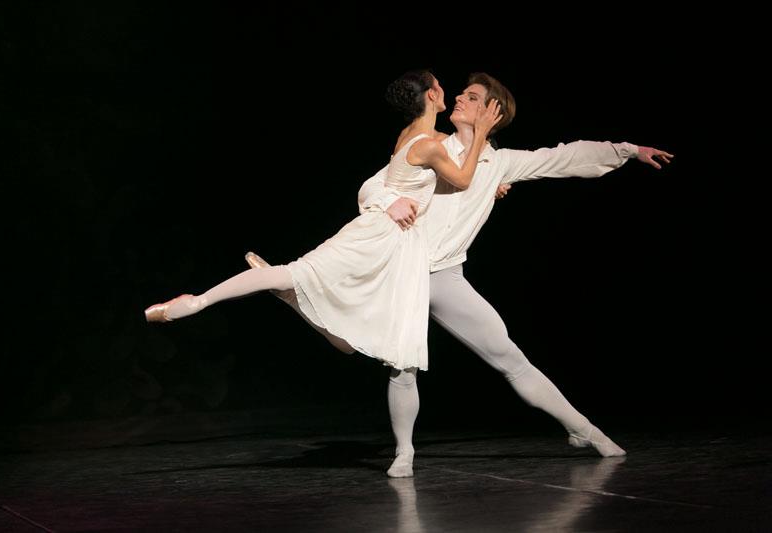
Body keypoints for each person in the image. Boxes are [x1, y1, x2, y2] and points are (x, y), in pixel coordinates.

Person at [245, 72, 673, 477]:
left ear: (492, 112)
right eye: (461, 93)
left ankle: (585, 430)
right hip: (404, 271)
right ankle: (404, 451)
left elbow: (561, 157)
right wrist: (388, 202)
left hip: (447, 277)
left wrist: (629, 150)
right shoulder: (431, 145)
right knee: (398, 364)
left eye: (471, 97)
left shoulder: (499, 164)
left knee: (509, 358)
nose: (458, 99)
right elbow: (376, 183)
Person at [145, 70, 502, 373]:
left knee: (348, 342)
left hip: (394, 242)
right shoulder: (430, 145)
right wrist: (483, 133)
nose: (450, 93)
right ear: (433, 94)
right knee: (295, 273)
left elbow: (461, 163)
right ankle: (198, 301)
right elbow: (463, 177)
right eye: (443, 87)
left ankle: (290, 299)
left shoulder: (414, 136)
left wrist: (493, 178)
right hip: (381, 235)